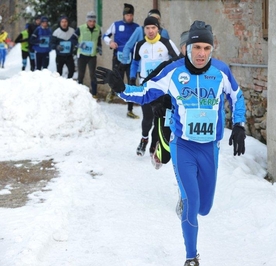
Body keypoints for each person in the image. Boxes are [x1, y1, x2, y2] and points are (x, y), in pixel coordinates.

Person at [95, 20, 246, 266]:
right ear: (187, 48)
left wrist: (239, 125)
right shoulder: (174, 72)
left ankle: (187, 204)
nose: (201, 53)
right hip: (183, 146)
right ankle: (191, 257)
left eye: (207, 48)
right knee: (192, 203)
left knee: (204, 208)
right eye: (197, 47)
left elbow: (237, 97)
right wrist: (121, 88)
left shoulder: (220, 71)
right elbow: (145, 92)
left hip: (210, 147)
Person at [129, 16, 179, 157]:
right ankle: (144, 139)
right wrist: (132, 78)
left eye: (153, 27)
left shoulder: (166, 43)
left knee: (160, 117)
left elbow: (179, 60)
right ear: (143, 29)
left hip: (162, 87)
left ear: (158, 29)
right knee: (147, 118)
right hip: (146, 86)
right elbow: (134, 63)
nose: (150, 31)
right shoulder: (139, 45)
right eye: (147, 28)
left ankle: (155, 144)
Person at [144, 30, 189, 169]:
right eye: (188, 46)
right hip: (166, 114)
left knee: (187, 156)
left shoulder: (201, 69)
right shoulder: (169, 65)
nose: (192, 50)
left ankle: (185, 187)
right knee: (164, 156)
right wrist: (155, 103)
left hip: (189, 118)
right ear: (181, 47)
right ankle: (155, 148)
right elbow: (146, 84)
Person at [102, 3, 140, 118]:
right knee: (116, 77)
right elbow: (105, 36)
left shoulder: (137, 27)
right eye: (127, 15)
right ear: (123, 15)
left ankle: (130, 109)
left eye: (131, 15)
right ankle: (112, 91)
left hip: (131, 59)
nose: (129, 17)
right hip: (118, 57)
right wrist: (110, 43)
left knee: (131, 83)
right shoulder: (116, 25)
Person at [71, 11, 102, 98]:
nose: (92, 23)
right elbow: (72, 39)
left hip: (92, 55)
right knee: (81, 74)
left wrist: (99, 48)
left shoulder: (98, 29)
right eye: (90, 21)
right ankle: (79, 93)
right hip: (82, 55)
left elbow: (99, 40)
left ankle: (94, 93)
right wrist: (79, 45)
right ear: (87, 21)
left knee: (93, 74)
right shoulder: (80, 28)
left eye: (94, 21)